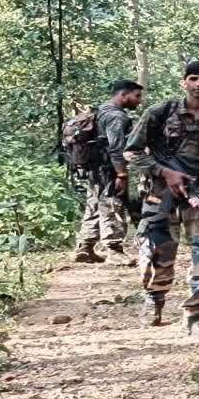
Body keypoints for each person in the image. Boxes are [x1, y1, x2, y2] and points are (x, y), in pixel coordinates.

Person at [124, 61, 199, 337]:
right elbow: (132, 151)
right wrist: (165, 172)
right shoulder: (160, 112)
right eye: (194, 78)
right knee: (156, 251)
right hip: (160, 194)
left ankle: (196, 314)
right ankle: (154, 299)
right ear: (184, 82)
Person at [73, 80, 143, 266]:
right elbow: (116, 148)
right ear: (123, 95)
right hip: (109, 168)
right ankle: (114, 250)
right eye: (136, 96)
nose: (139, 100)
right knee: (112, 205)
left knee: (94, 204)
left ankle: (84, 247)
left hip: (95, 167)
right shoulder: (116, 117)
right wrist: (121, 174)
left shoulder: (101, 110)